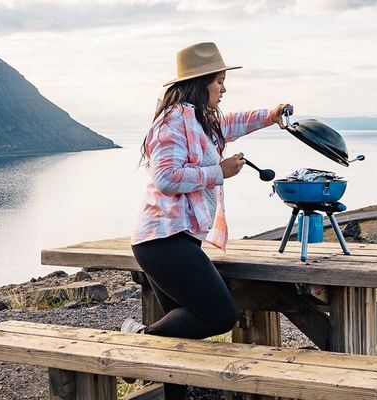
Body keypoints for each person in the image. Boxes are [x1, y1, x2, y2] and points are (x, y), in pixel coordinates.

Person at [122, 42, 292, 400]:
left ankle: (171, 390)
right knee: (219, 315)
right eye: (219, 81)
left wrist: (271, 114)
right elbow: (166, 177)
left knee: (181, 333)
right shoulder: (171, 123)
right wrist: (219, 171)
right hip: (161, 241)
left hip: (174, 239)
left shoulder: (202, 119)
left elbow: (233, 122)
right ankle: (137, 342)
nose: (224, 88)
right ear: (201, 82)